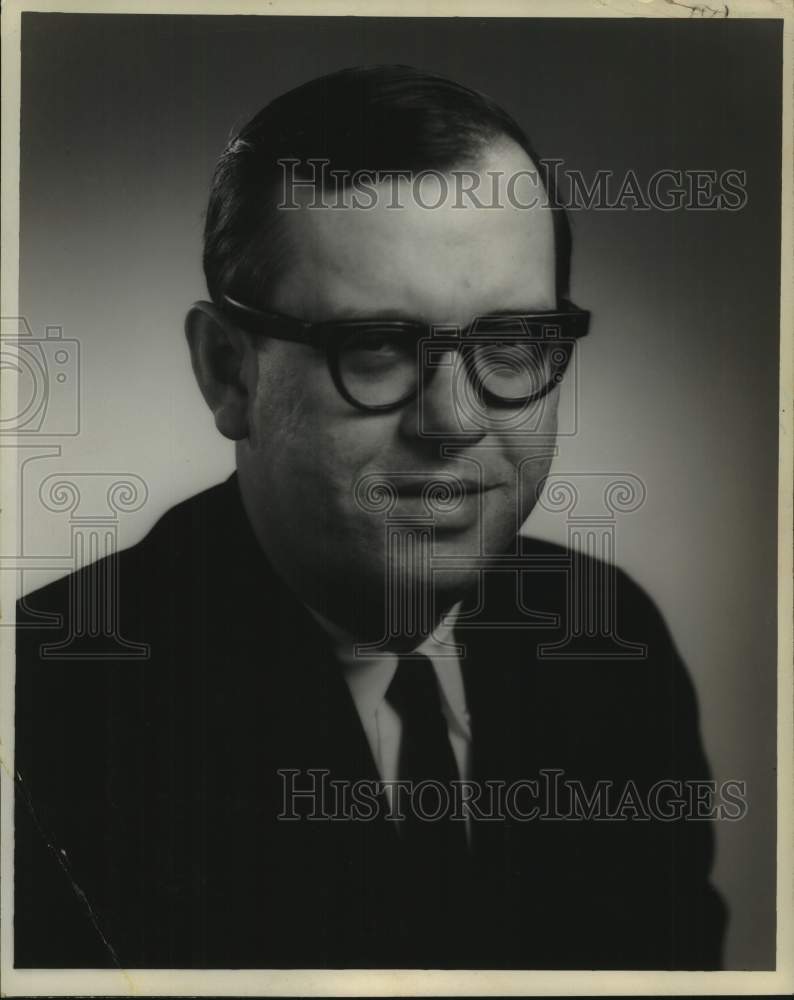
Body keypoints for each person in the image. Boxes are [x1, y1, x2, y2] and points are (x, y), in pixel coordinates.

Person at [14, 65, 726, 970]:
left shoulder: (612, 646)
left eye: (509, 343)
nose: (455, 423)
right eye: (379, 346)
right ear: (229, 373)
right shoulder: (47, 714)